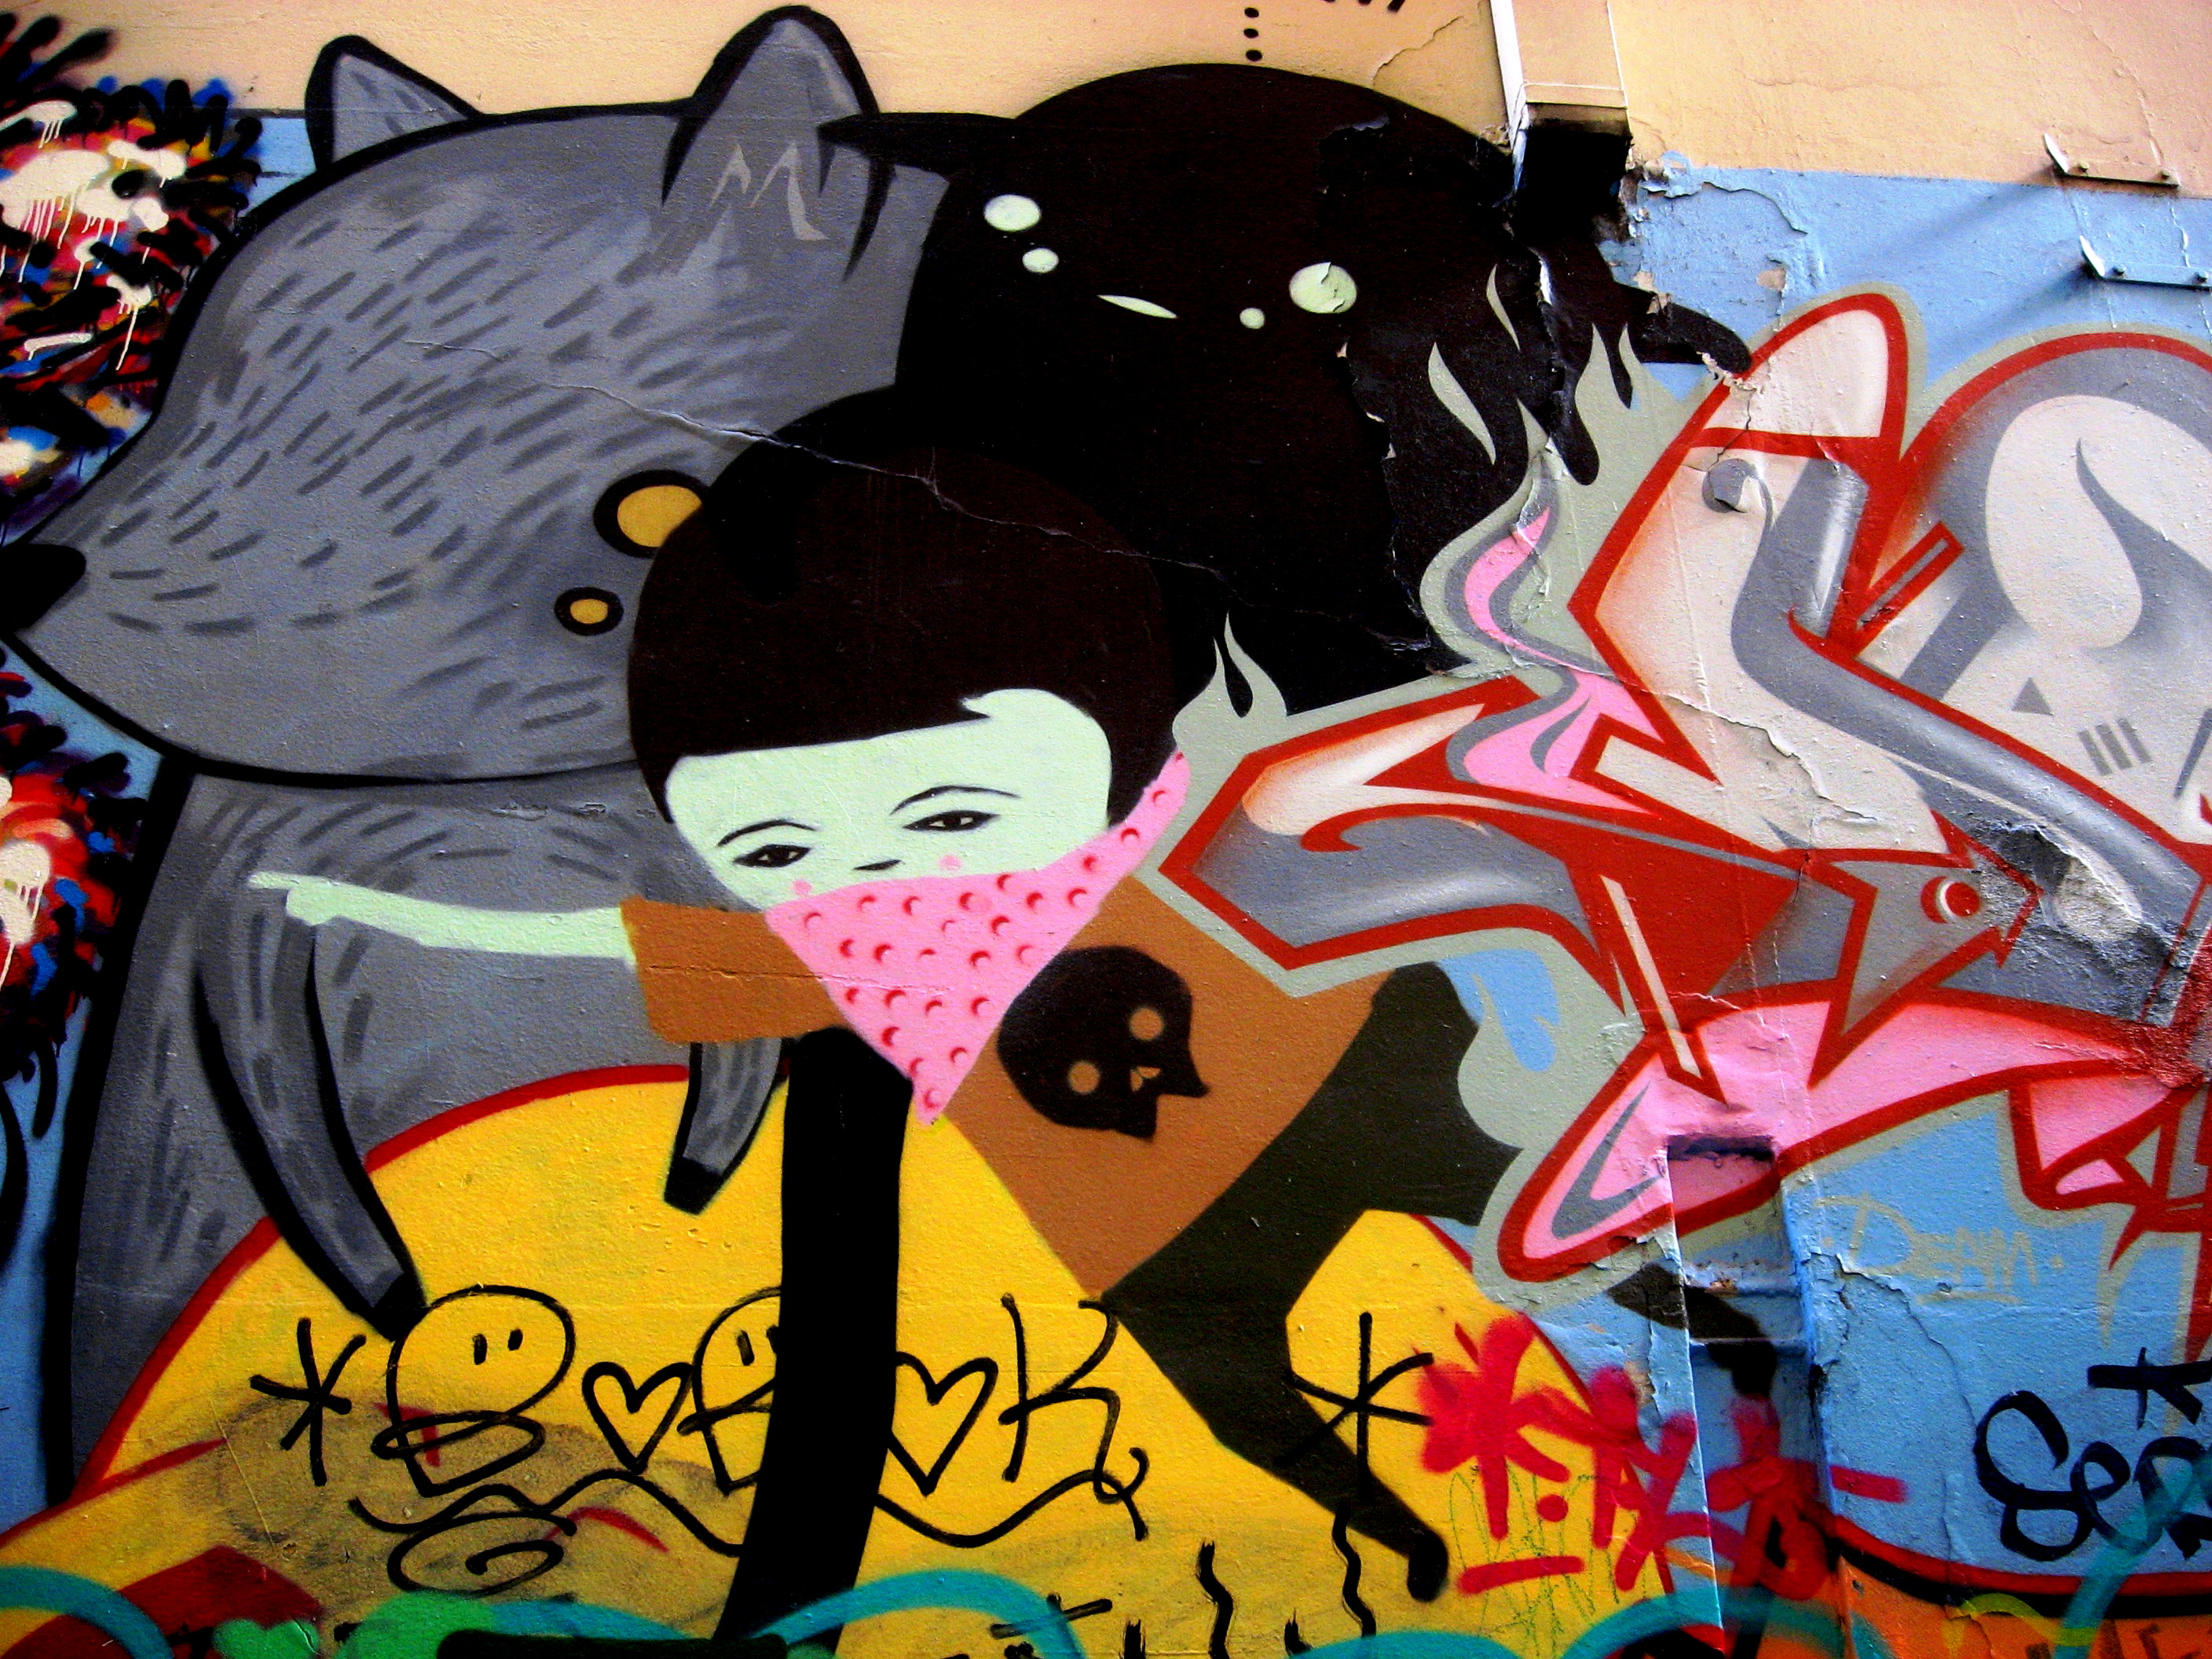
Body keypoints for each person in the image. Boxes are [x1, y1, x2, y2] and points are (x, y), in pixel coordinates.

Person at [254, 441, 1500, 1612]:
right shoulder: (837, 944)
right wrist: (362, 905)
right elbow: (589, 934)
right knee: (1250, 1408)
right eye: (774, 847)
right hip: (1167, 1218)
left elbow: (1353, 775)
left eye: (951, 815)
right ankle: (1412, 1544)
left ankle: (1448, 1503)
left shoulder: (1163, 821)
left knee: (1511, 1210)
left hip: (1334, 1092)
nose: (878, 866)